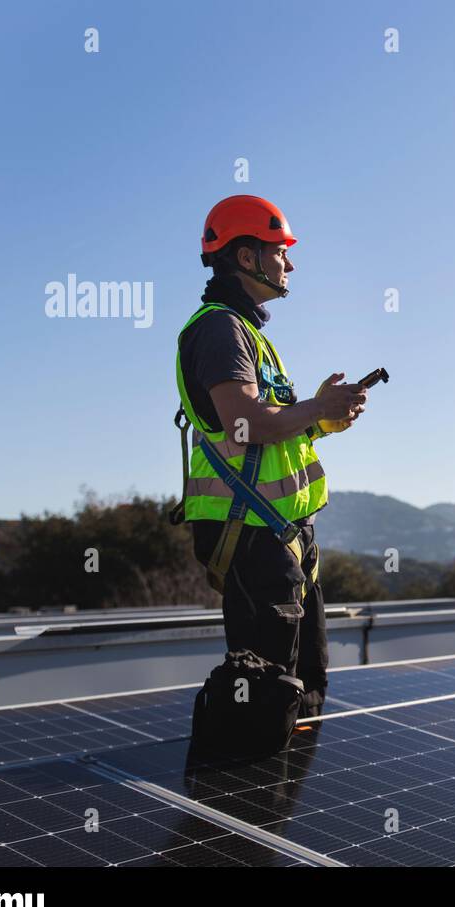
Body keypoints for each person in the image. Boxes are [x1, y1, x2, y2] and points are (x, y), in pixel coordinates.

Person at [173, 194, 366, 717]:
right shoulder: (220, 330)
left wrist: (324, 417)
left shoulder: (249, 335)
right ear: (245, 257)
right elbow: (248, 424)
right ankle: (246, 791)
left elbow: (270, 431)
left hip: (280, 533)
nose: (290, 262)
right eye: (280, 250)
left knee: (303, 686)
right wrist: (314, 406)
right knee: (267, 692)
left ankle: (277, 785)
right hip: (251, 531)